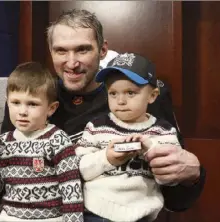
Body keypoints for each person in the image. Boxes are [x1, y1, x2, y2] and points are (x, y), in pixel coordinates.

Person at [0, 9, 205, 222]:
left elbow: (178, 198)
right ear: (50, 51)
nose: (72, 62)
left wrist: (193, 173)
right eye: (61, 51)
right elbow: (8, 189)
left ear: (103, 50)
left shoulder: (142, 97)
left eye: (82, 50)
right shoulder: (31, 101)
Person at [0, 62, 84, 222]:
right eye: (16, 102)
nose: (22, 111)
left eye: (32, 104)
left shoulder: (57, 139)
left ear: (51, 108)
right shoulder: (2, 143)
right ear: (7, 102)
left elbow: (71, 190)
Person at [75, 52, 182, 222]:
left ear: (152, 96)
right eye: (113, 93)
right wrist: (107, 158)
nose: (121, 101)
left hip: (142, 213)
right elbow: (78, 170)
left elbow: (171, 179)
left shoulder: (164, 131)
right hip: (95, 210)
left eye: (130, 93)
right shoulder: (96, 127)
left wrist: (150, 149)